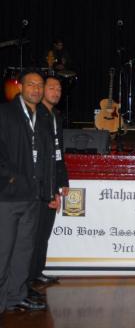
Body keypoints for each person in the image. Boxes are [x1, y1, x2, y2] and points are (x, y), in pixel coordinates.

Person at [0, 71, 51, 313]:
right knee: (3, 252)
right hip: (8, 196)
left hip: (33, 195)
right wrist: (9, 177)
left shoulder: (42, 116)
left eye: (40, 85)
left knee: (23, 251)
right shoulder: (5, 113)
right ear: (20, 87)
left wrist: (47, 188)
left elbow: (46, 156)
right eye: (31, 84)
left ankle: (15, 296)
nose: (36, 89)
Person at [29, 76, 69, 295]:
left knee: (44, 233)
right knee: (34, 235)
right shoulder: (37, 115)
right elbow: (40, 158)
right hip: (39, 187)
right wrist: (49, 190)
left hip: (52, 182)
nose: (56, 92)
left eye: (59, 89)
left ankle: (37, 272)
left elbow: (58, 152)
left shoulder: (56, 116)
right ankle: (26, 280)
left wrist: (63, 181)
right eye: (52, 87)